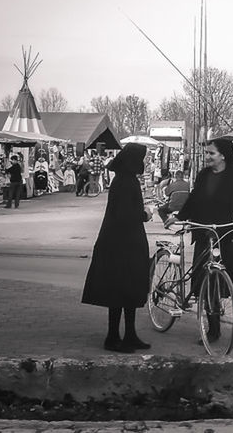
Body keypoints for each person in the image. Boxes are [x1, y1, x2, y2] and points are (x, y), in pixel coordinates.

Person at [165, 138, 233, 348]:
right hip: (206, 234)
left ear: (223, 155)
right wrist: (179, 216)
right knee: (207, 283)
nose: (207, 157)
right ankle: (213, 329)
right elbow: (193, 200)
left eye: (211, 153)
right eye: (207, 153)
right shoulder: (204, 176)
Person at [81, 143, 153, 353]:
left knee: (128, 289)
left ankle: (129, 335)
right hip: (121, 244)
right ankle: (113, 337)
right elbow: (125, 215)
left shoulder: (124, 179)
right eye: (142, 158)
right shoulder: (125, 182)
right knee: (119, 290)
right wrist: (145, 215)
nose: (144, 161)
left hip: (125, 242)